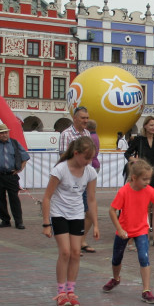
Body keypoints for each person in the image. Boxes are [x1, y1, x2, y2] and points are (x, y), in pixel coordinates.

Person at [42, 136, 99, 306]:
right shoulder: (60, 170)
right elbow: (47, 197)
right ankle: (61, 292)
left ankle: (71, 290)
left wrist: (95, 223)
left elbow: (91, 199)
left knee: (75, 252)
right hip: (59, 213)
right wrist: (46, 223)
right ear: (76, 153)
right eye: (86, 158)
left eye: (91, 158)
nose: (89, 162)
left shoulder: (90, 172)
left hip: (76, 214)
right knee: (65, 252)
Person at [104, 159, 154, 304]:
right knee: (116, 258)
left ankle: (146, 290)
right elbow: (112, 211)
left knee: (144, 257)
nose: (147, 182)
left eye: (149, 179)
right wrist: (119, 229)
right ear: (134, 178)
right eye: (144, 179)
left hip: (141, 230)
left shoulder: (150, 191)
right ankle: (116, 278)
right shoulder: (124, 191)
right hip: (124, 230)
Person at [124, 116, 154, 247]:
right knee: (144, 208)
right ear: (145, 126)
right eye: (151, 125)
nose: (153, 127)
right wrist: (134, 161)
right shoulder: (139, 140)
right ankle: (143, 236)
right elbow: (127, 153)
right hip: (144, 174)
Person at [59, 107, 96, 252]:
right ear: (75, 118)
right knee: (71, 212)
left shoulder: (87, 133)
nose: (86, 121)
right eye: (83, 118)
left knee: (89, 212)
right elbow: (63, 157)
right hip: (71, 178)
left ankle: (81, 240)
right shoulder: (66, 134)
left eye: (87, 118)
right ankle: (71, 244)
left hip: (85, 178)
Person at [0, 125, 29, 229]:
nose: (4, 135)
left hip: (11, 176)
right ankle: (5, 220)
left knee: (14, 199)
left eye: (6, 132)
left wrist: (20, 169)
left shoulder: (14, 143)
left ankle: (19, 221)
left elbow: (25, 157)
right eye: (2, 133)